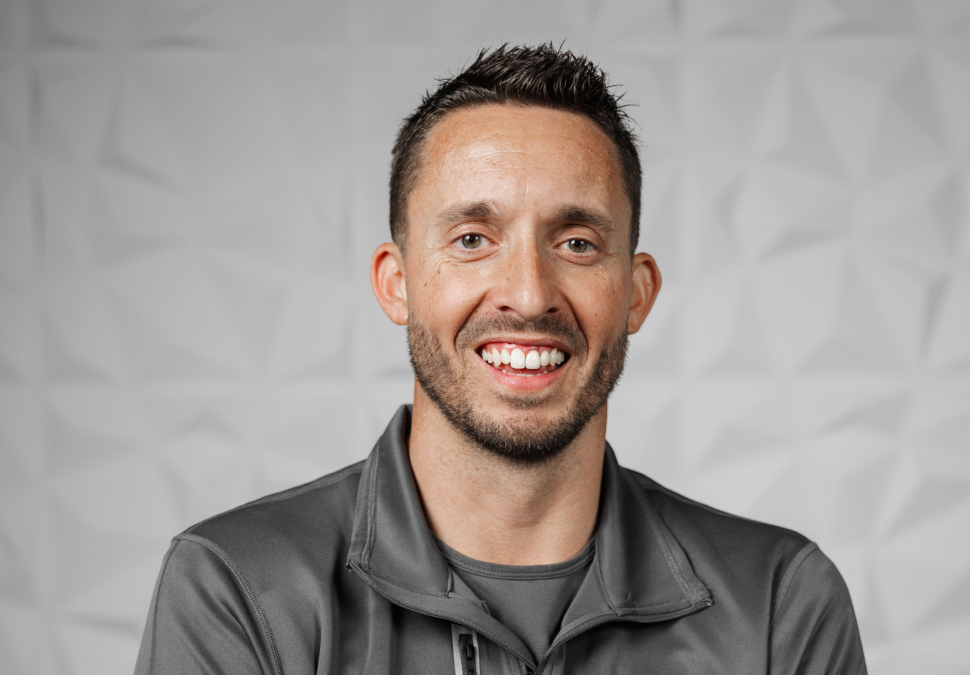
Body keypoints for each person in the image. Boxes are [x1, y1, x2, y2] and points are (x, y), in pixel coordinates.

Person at [134, 44, 867, 675]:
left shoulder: (778, 602)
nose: (527, 292)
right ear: (399, 284)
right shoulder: (237, 587)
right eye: (473, 239)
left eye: (576, 242)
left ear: (636, 293)